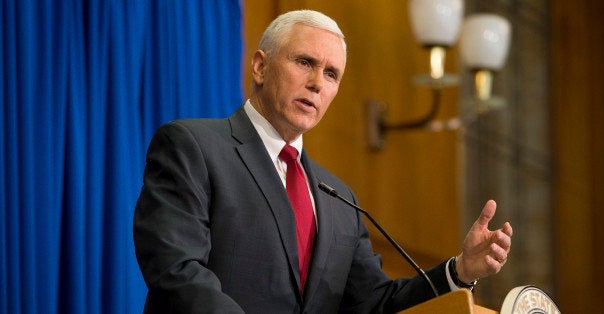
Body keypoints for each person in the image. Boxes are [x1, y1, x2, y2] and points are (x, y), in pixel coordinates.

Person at [133, 9, 513, 313]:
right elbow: (177, 271)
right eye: (304, 62)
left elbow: (375, 303)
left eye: (331, 74)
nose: (317, 82)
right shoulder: (193, 146)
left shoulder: (337, 198)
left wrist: (459, 271)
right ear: (260, 67)